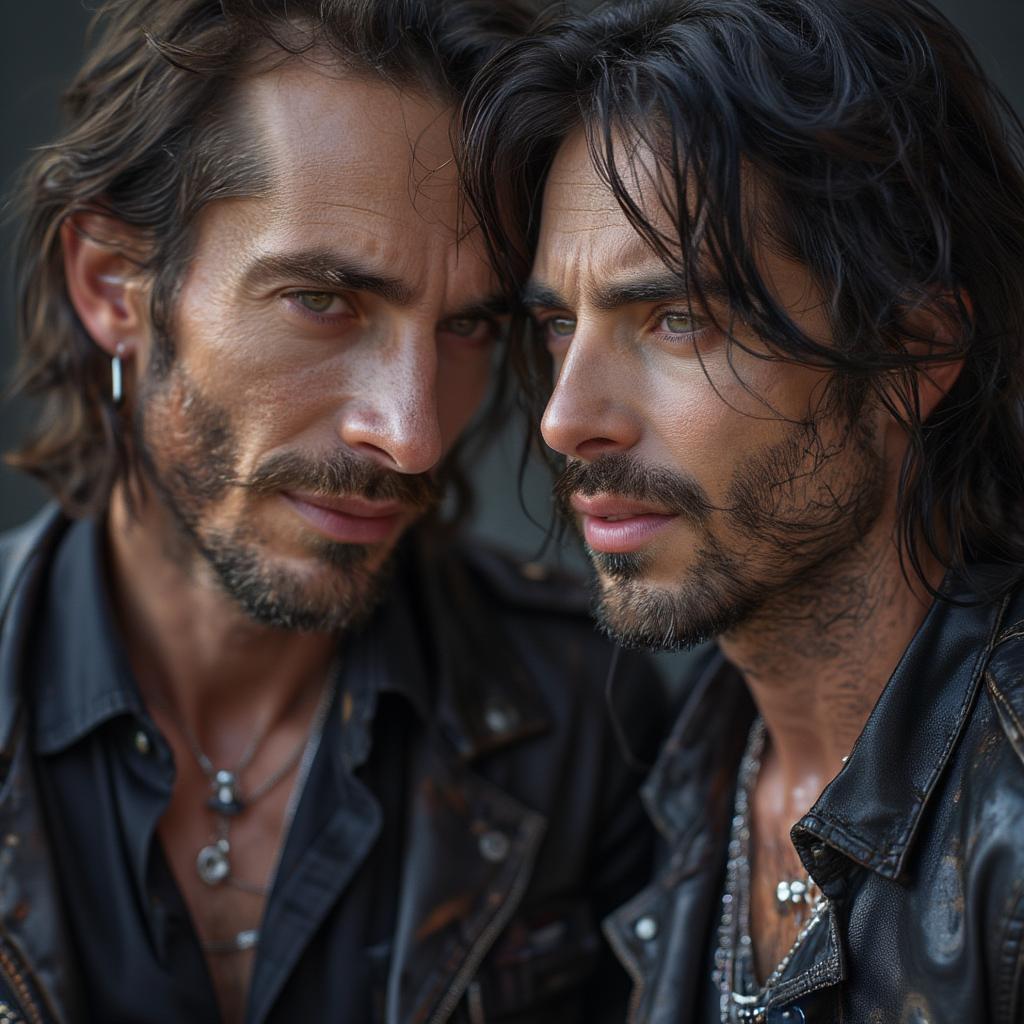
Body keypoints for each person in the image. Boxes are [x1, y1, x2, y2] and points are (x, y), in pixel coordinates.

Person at [0, 2, 663, 1021]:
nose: (411, 435)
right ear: (113, 284)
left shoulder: (583, 713)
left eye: (469, 327)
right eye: (324, 300)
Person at [461, 0, 1024, 1020]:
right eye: (555, 324)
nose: (564, 418)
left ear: (914, 352)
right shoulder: (685, 771)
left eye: (676, 319)